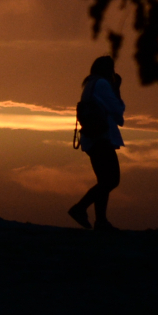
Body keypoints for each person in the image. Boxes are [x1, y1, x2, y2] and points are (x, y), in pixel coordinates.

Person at [67, 55, 126, 231]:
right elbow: (118, 111)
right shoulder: (102, 84)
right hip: (101, 138)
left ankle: (101, 221)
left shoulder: (90, 84)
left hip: (92, 138)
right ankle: (79, 208)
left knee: (104, 181)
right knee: (111, 180)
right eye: (112, 68)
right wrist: (116, 89)